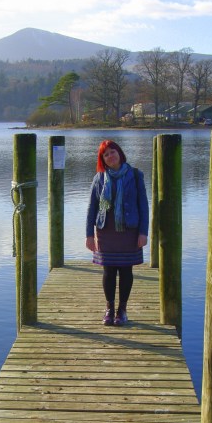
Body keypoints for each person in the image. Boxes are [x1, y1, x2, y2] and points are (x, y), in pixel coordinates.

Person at [85, 139, 149, 326]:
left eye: (112, 152)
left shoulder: (135, 175)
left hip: (129, 230)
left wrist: (143, 232)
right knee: (109, 270)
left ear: (120, 153)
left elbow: (143, 206)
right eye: (106, 155)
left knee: (126, 270)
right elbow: (92, 208)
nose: (110, 156)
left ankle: (122, 310)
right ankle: (109, 309)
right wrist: (89, 235)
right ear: (102, 160)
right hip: (106, 231)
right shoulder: (99, 178)